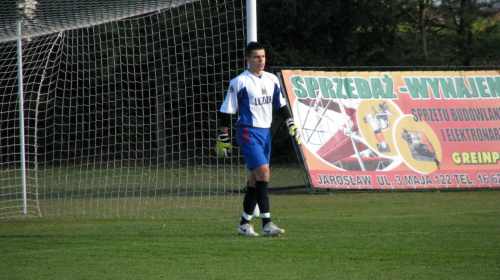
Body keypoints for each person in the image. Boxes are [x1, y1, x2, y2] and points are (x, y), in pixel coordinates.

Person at [215, 41, 302, 237]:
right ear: (248, 59)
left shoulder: (271, 79)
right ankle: (266, 223)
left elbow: (280, 105)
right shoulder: (240, 81)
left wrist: (290, 122)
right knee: (264, 173)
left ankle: (244, 224)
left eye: (263, 56)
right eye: (256, 57)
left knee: (254, 180)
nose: (261, 60)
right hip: (248, 132)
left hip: (265, 133)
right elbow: (226, 110)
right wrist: (224, 135)